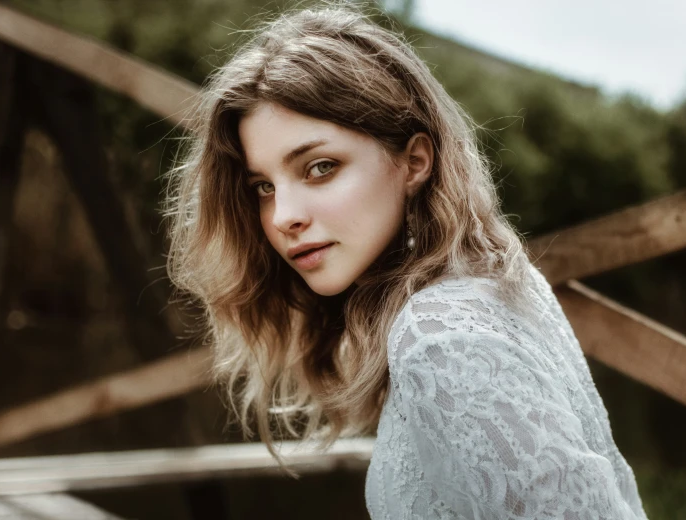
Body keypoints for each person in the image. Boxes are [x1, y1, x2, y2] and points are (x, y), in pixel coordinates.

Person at [164, 3, 649, 519]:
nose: (283, 216)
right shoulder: (493, 284)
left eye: (320, 168)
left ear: (415, 161)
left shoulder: (439, 333)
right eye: (263, 187)